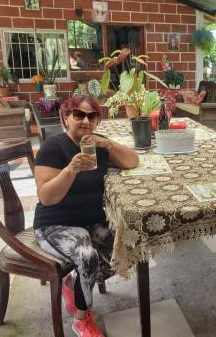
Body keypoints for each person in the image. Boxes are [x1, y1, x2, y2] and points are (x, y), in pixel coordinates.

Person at [33, 95, 139, 337]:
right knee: (87, 255)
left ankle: (75, 283)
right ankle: (82, 319)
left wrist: (106, 144)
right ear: (65, 118)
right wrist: (71, 169)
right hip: (54, 225)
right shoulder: (53, 147)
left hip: (91, 221)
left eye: (92, 116)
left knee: (129, 244)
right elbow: (46, 197)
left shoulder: (97, 145)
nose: (85, 121)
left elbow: (133, 161)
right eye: (78, 115)